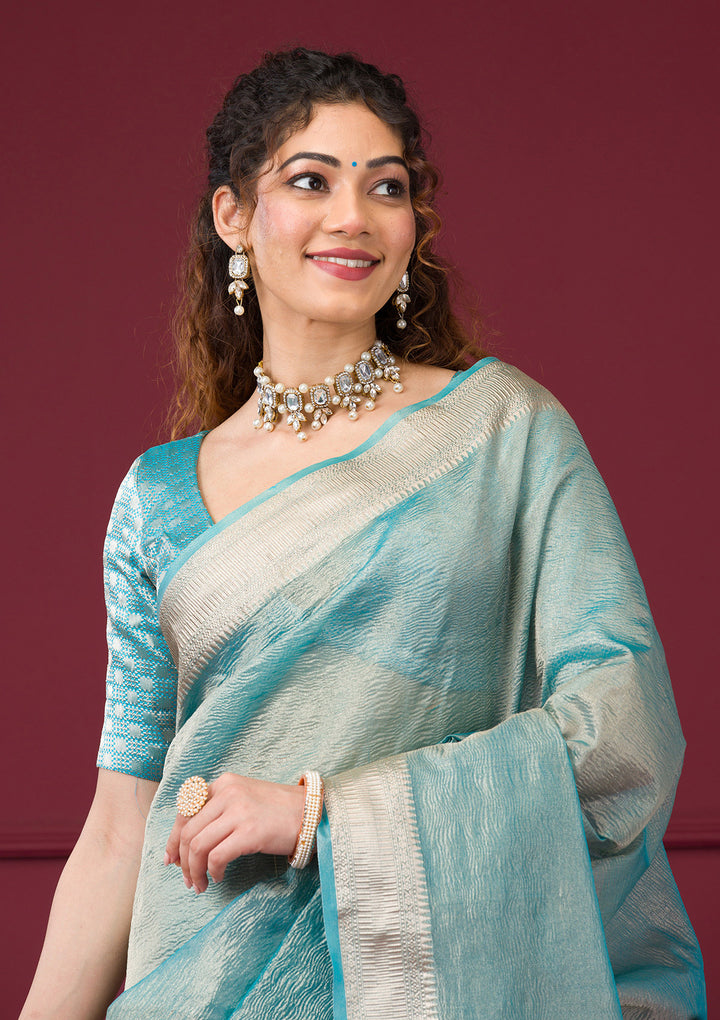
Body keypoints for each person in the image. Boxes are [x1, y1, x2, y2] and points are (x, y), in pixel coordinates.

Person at [21, 48, 706, 1020]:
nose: (354, 216)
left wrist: (320, 808)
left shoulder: (502, 435)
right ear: (233, 216)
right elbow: (118, 830)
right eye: (311, 181)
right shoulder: (156, 498)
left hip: (437, 984)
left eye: (386, 187)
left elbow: (622, 728)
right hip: (195, 987)